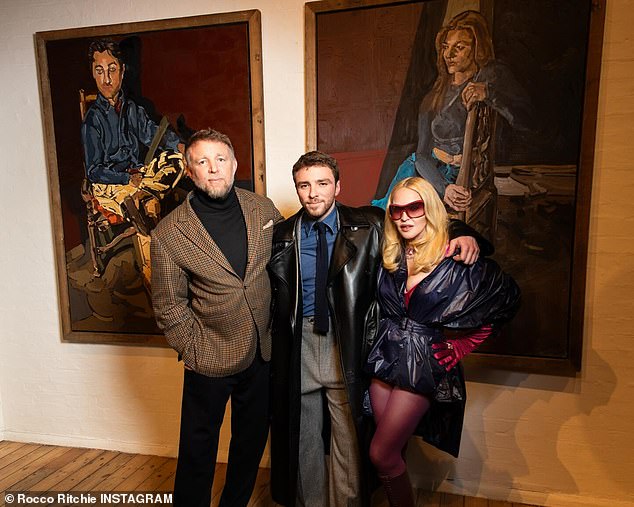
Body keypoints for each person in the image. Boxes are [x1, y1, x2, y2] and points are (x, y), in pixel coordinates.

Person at [268, 151, 490, 507]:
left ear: (337, 187)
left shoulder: (368, 224)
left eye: (322, 183)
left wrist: (462, 232)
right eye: (304, 185)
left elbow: (416, 221)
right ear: (296, 188)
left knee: (349, 436)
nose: (313, 193)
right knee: (303, 436)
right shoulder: (282, 235)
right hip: (299, 342)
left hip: (347, 340)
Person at [365, 176, 521, 506]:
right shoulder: (391, 253)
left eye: (414, 207)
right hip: (384, 357)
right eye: (397, 210)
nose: (404, 217)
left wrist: (463, 345)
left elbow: (508, 299)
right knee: (393, 449)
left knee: (380, 453)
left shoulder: (453, 255)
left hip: (421, 364)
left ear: (430, 209)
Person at [150, 129, 283, 507]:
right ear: (190, 171)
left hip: (261, 352)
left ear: (234, 164)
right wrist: (194, 350)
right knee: (198, 450)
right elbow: (168, 305)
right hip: (209, 355)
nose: (213, 168)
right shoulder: (169, 233)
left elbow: (285, 262)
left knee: (250, 442)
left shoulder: (262, 209)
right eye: (202, 161)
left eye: (220, 159)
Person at [372, 10, 532, 212]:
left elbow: (528, 121)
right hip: (429, 174)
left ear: (477, 48)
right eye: (446, 47)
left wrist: (490, 93)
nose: (449, 54)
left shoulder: (491, 76)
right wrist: (444, 188)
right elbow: (421, 155)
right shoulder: (434, 96)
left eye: (460, 47)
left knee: (404, 213)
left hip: (470, 177)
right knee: (394, 212)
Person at [81, 38, 185, 233]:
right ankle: (140, 206)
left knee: (176, 160)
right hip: (113, 183)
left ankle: (144, 198)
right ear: (93, 73)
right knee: (116, 193)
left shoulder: (133, 109)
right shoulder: (92, 120)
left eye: (112, 70)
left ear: (122, 71)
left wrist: (179, 146)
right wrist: (125, 178)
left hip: (141, 174)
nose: (106, 80)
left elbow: (152, 135)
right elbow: (94, 171)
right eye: (99, 71)